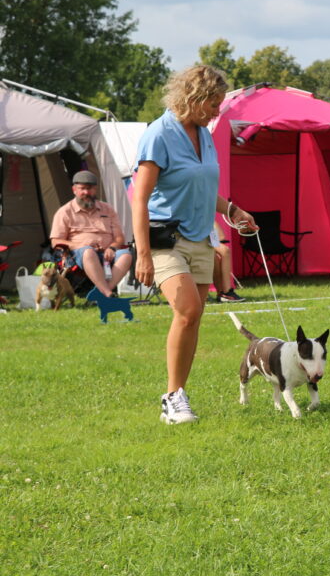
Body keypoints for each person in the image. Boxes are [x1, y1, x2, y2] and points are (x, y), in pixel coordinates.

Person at [132, 65, 256, 425]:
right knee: (187, 310)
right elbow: (139, 199)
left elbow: (201, 185)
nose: (218, 110)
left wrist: (232, 209)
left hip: (202, 237)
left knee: (193, 317)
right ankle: (172, 398)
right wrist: (142, 254)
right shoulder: (158, 134)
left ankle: (178, 395)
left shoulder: (204, 134)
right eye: (214, 103)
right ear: (194, 98)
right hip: (165, 239)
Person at [49, 170, 133, 297]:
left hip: (107, 253)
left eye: (90, 189)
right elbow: (55, 241)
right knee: (88, 252)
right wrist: (81, 244)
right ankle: (107, 292)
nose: (86, 193)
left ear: (96, 189)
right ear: (74, 190)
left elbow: (119, 237)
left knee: (126, 255)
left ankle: (104, 291)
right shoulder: (64, 212)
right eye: (82, 189)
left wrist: (112, 248)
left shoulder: (107, 209)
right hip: (78, 256)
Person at [210, 221, 244, 302]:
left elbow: (221, 237)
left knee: (223, 252)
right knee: (215, 257)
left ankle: (225, 292)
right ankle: (223, 293)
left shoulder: (206, 214)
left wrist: (211, 220)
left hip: (204, 244)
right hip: (190, 243)